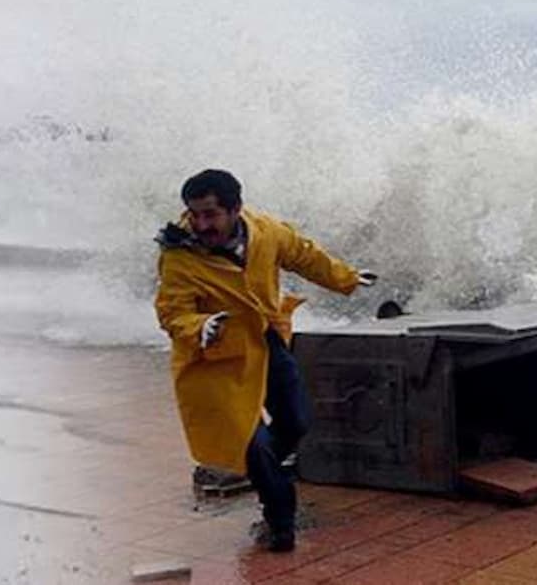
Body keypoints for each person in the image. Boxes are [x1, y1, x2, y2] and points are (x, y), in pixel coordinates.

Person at [153, 169, 375, 552]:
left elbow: (304, 255)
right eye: (194, 214)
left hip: (265, 340)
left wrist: (347, 279)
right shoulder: (179, 257)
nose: (200, 224)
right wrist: (199, 326)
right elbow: (172, 312)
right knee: (252, 444)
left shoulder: (265, 231)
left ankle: (261, 469)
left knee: (296, 420)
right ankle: (280, 520)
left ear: (236, 209)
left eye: (210, 214)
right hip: (215, 360)